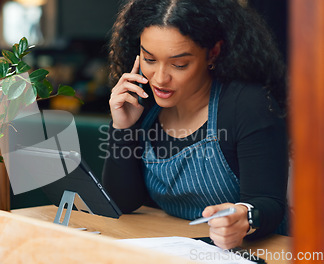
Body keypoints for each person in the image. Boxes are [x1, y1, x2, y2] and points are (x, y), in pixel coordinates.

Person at [102, 0, 288, 250]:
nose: (159, 78)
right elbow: (123, 202)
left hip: (256, 250)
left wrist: (244, 217)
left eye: (179, 64)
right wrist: (122, 128)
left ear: (213, 53)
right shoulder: (142, 104)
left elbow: (269, 202)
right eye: (149, 59)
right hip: (177, 247)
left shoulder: (246, 105)